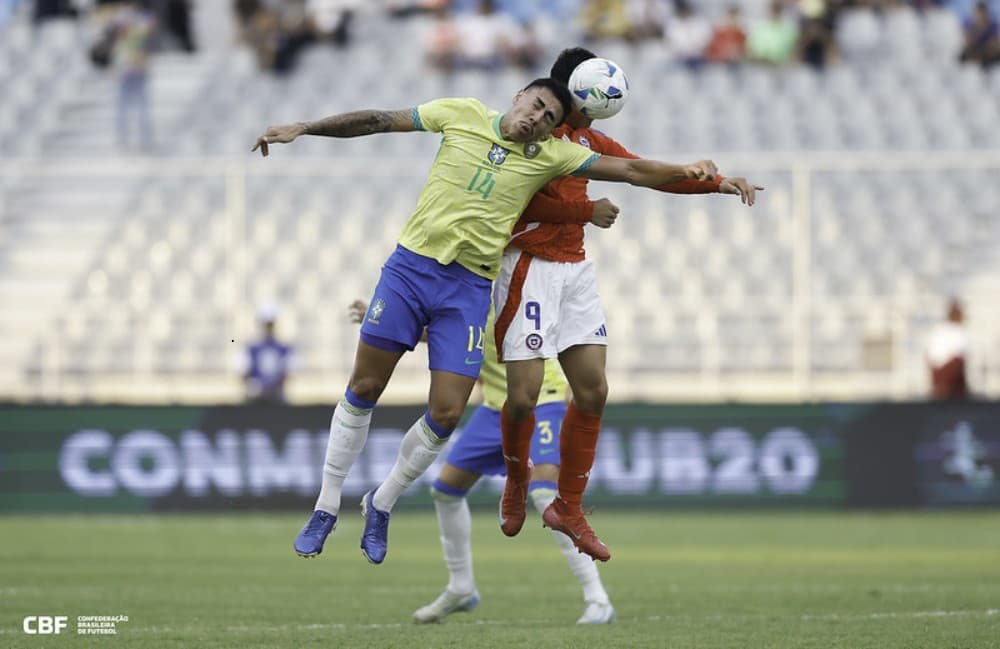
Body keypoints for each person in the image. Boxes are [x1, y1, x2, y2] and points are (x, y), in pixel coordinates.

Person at [252, 75, 720, 566]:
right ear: (519, 95)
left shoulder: (553, 156)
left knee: (448, 413)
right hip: (410, 269)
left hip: (470, 288)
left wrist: (693, 174)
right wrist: (304, 128)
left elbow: (632, 169)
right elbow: (379, 120)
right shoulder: (462, 114)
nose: (537, 120)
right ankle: (326, 505)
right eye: (536, 105)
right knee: (365, 386)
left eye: (549, 119)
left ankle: (381, 501)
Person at [496, 47, 763, 563]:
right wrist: (584, 209)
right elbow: (518, 201)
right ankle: (515, 480)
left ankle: (568, 507)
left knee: (593, 391)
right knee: (524, 398)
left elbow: (641, 171)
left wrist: (716, 183)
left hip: (574, 272)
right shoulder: (535, 135)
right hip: (527, 269)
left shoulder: (588, 139)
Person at [344, 299, 616, 624]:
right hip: (496, 408)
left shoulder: (524, 285)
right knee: (446, 490)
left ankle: (597, 597)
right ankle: (461, 587)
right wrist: (384, 321)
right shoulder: (474, 288)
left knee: (545, 495)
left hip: (545, 398)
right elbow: (443, 333)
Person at [241, 303, 295, 404]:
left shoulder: (284, 348)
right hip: (255, 399)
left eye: (270, 324)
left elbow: (287, 373)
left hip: (277, 399)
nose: (268, 328)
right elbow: (243, 374)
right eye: (266, 324)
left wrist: (271, 388)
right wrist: (255, 387)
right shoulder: (251, 348)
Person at [925, 298, 971, 400]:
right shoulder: (957, 331)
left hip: (937, 376)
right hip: (948, 376)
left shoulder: (938, 330)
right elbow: (958, 358)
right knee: (958, 361)